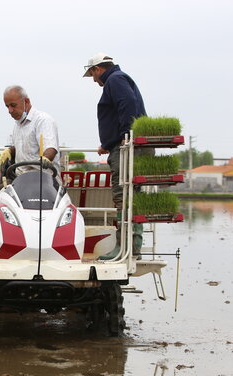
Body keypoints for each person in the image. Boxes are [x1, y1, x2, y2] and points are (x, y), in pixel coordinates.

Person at [83, 53, 149, 258]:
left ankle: (126, 247)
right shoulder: (117, 79)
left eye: (92, 75)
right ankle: (131, 247)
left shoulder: (115, 79)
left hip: (127, 147)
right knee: (129, 195)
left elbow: (127, 103)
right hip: (120, 145)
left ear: (97, 69)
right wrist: (108, 144)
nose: (94, 80)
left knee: (125, 196)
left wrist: (125, 135)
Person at [0, 85, 60, 181]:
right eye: (7, 106)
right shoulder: (18, 125)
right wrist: (10, 151)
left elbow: (50, 148)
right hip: (21, 181)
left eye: (13, 105)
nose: (10, 111)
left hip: (44, 181)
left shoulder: (43, 120)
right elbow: (22, 147)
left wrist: (46, 158)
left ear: (26, 102)